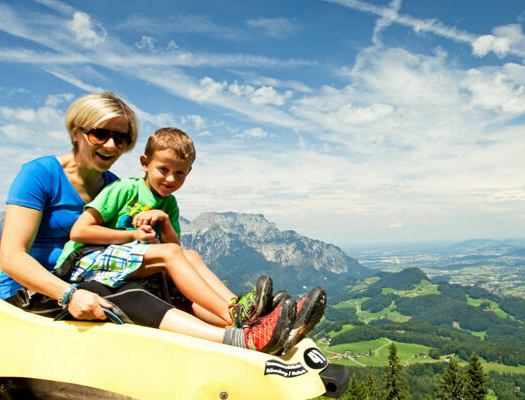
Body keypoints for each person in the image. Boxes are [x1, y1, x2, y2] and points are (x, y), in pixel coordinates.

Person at [0, 92, 291, 354]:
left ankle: (249, 322)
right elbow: (11, 257)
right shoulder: (40, 173)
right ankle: (239, 335)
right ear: (76, 132)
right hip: (36, 292)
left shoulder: (111, 185)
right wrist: (68, 294)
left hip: (91, 276)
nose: (111, 145)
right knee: (132, 295)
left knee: (174, 282)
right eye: (100, 133)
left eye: (121, 138)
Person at [56, 128, 325, 352]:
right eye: (163, 169)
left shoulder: (169, 203)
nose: (170, 179)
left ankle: (243, 312)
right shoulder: (125, 189)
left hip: (123, 265)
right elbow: (79, 232)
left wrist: (162, 219)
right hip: (84, 263)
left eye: (180, 174)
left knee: (191, 256)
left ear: (189, 172)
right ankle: (237, 316)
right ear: (144, 163)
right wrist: (132, 234)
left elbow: (176, 249)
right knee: (174, 257)